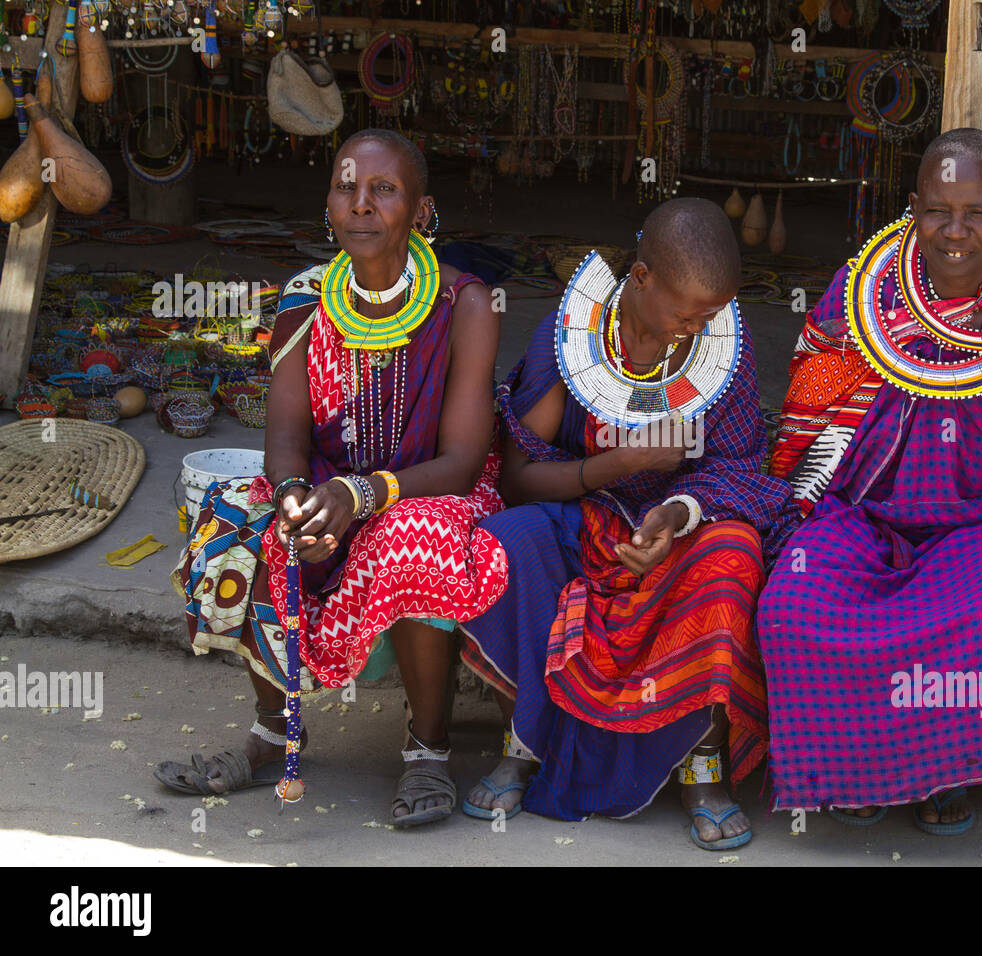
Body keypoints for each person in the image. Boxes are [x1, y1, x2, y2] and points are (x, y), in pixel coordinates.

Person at [158, 129, 509, 828]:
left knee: (413, 538)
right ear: (328, 205)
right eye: (346, 188)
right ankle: (272, 732)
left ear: (422, 211)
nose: (361, 205)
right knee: (240, 521)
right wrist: (295, 502)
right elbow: (284, 443)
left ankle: (428, 750)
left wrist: (361, 494)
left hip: (427, 490)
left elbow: (463, 460)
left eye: (383, 190)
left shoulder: (466, 304)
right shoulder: (303, 298)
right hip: (325, 489)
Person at [759, 128, 982, 834]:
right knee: (792, 607)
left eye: (977, 212)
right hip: (859, 515)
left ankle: (947, 774)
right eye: (938, 209)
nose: (956, 231)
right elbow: (813, 416)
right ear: (912, 208)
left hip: (981, 525)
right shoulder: (863, 296)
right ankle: (854, 769)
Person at [458, 198, 795, 849]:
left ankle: (702, 764)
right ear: (640, 278)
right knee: (505, 544)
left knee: (734, 553)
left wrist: (676, 512)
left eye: (709, 314)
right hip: (579, 523)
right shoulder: (571, 332)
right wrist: (620, 463)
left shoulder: (724, 341)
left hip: (676, 539)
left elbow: (741, 469)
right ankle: (525, 739)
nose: (697, 328)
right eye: (684, 311)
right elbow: (519, 477)